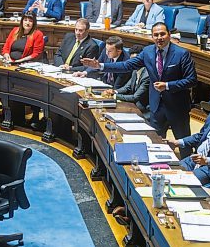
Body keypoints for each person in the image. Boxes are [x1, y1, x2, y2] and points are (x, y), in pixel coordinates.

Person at [81, 22, 197, 158]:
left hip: (177, 107)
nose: (159, 37)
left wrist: (167, 85)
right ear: (152, 37)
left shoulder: (182, 54)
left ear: (169, 35)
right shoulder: (148, 52)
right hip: (156, 106)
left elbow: (192, 80)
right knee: (156, 144)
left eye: (162, 34)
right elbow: (126, 65)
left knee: (184, 146)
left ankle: (189, 171)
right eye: (156, 35)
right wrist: (100, 66)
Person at [102, 45, 150, 117]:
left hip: (144, 109)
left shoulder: (147, 75)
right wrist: (114, 91)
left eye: (135, 59)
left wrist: (114, 96)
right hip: (133, 105)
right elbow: (127, 87)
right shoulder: (135, 70)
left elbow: (135, 97)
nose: (134, 63)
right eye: (131, 60)